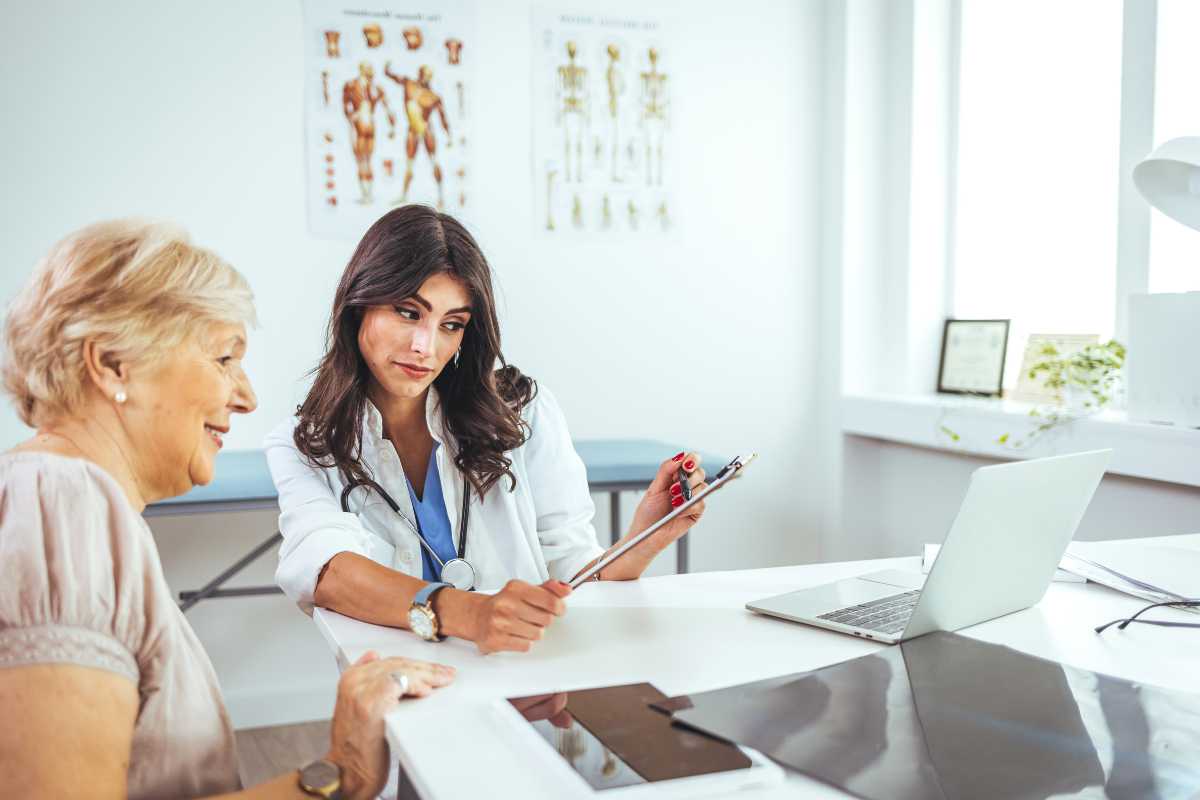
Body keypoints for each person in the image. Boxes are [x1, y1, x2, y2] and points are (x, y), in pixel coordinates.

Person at [0, 220, 453, 799]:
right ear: (113, 364)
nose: (245, 396)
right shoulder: (60, 508)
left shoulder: (62, 504)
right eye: (222, 359)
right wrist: (341, 774)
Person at [265, 205, 708, 655]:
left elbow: (575, 573)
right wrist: (471, 613)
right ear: (358, 304)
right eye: (407, 312)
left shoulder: (524, 412)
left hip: (526, 683)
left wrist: (647, 538)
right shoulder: (304, 444)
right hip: (400, 687)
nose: (425, 347)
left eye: (451, 325)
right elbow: (326, 571)